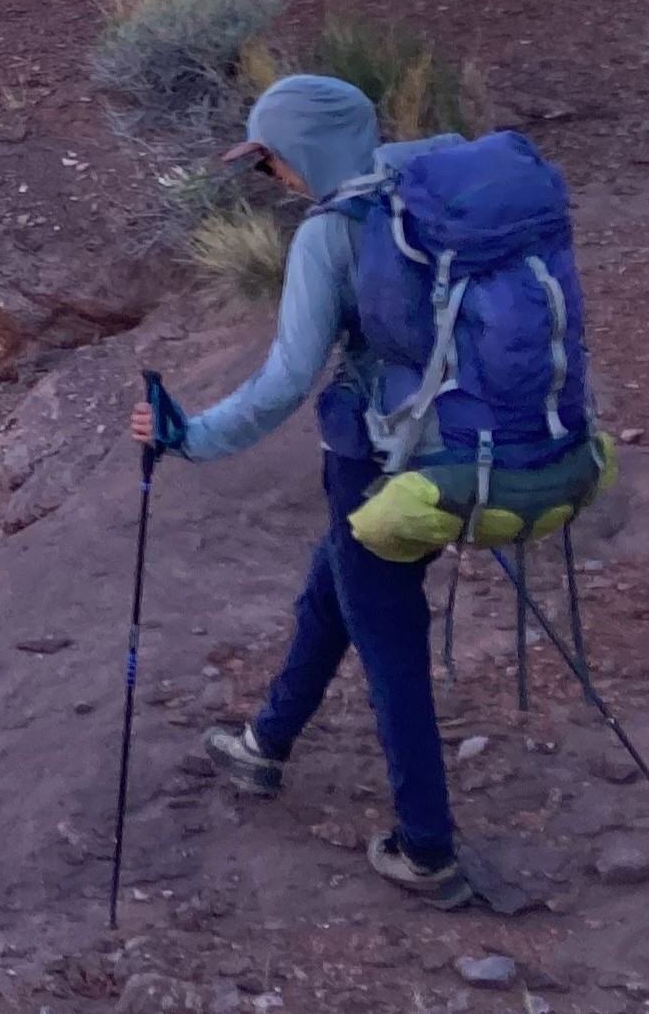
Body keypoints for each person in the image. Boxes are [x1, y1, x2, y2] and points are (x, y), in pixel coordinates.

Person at [127, 74, 476, 909]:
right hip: (468, 439)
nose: (275, 179)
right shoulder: (424, 180)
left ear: (302, 154)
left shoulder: (332, 234)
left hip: (383, 456)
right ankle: (265, 741)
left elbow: (288, 380)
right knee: (336, 588)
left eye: (271, 162)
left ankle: (427, 844)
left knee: (386, 633)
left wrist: (190, 434)